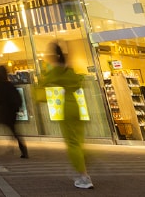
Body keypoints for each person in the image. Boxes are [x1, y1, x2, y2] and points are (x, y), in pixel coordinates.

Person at [40, 43, 93, 189]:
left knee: (72, 143)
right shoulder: (69, 69)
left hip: (66, 108)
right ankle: (81, 164)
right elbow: (79, 82)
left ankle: (84, 177)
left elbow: (43, 84)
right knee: (78, 141)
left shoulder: (56, 70)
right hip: (76, 106)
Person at [0, 65, 28, 159]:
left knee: (12, 130)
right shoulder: (9, 85)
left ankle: (19, 148)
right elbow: (16, 97)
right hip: (11, 110)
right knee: (13, 129)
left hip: (5, 110)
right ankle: (19, 148)